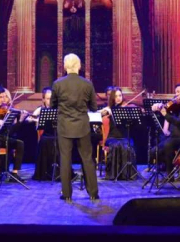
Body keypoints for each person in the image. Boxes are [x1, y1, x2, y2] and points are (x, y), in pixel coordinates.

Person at [50, 53, 99, 203]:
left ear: (65, 66)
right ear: (79, 65)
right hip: (83, 126)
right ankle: (93, 193)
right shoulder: (87, 84)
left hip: (65, 126)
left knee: (65, 159)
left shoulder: (58, 84)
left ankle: (67, 194)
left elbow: (52, 105)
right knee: (87, 159)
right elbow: (94, 107)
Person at [151, 83, 180, 176]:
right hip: (175, 136)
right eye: (175, 92)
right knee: (154, 151)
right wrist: (161, 106)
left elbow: (179, 122)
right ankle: (178, 168)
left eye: (178, 92)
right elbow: (171, 110)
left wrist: (165, 114)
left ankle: (170, 174)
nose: (176, 95)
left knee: (168, 145)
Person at [100, 88, 138, 180]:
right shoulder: (109, 109)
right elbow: (98, 113)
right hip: (112, 137)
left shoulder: (127, 108)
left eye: (120, 95)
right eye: (116, 96)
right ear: (112, 97)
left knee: (126, 146)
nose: (118, 98)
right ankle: (113, 174)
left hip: (124, 136)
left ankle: (127, 174)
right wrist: (106, 111)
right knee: (116, 145)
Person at [31, 87, 59, 181]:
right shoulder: (40, 109)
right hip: (46, 135)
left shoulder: (58, 109)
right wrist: (36, 120)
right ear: (43, 99)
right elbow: (29, 118)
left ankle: (59, 172)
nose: (50, 100)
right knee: (44, 140)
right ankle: (44, 172)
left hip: (57, 134)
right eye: (47, 98)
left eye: (51, 98)